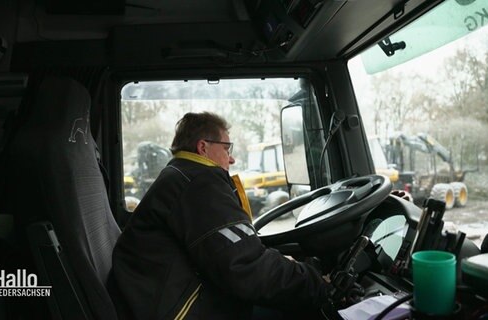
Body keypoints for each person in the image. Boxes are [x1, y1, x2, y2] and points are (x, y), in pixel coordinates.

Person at [109, 112, 333, 320]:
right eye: (227, 148)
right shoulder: (199, 184)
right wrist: (317, 284)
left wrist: (287, 265)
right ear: (203, 147)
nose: (232, 158)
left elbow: (235, 253)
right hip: (176, 309)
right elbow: (244, 266)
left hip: (161, 297)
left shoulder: (180, 176)